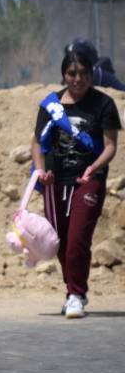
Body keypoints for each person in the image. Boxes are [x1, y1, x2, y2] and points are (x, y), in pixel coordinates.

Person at [31, 42, 121, 319]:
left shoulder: (103, 104)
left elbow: (110, 145)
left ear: (92, 74)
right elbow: (38, 143)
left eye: (83, 73)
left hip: (88, 181)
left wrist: (93, 168)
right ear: (64, 75)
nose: (78, 79)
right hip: (55, 182)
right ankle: (72, 290)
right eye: (72, 73)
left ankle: (76, 294)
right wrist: (40, 171)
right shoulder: (51, 105)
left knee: (78, 238)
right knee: (59, 240)